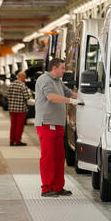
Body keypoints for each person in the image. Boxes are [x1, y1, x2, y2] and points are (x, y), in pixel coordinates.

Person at [35, 58, 81, 197]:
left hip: (58, 125)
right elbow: (51, 97)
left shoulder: (58, 82)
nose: (64, 70)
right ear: (54, 68)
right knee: (48, 157)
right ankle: (46, 188)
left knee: (59, 157)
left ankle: (57, 186)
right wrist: (71, 101)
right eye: (62, 67)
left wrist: (88, 99)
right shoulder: (44, 79)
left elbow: (70, 93)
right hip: (47, 124)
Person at [7, 71, 31, 146]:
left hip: (12, 109)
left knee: (13, 125)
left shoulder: (11, 84)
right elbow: (27, 97)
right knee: (19, 126)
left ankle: (11, 140)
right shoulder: (23, 86)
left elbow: (7, 95)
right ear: (23, 77)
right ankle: (17, 141)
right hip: (20, 109)